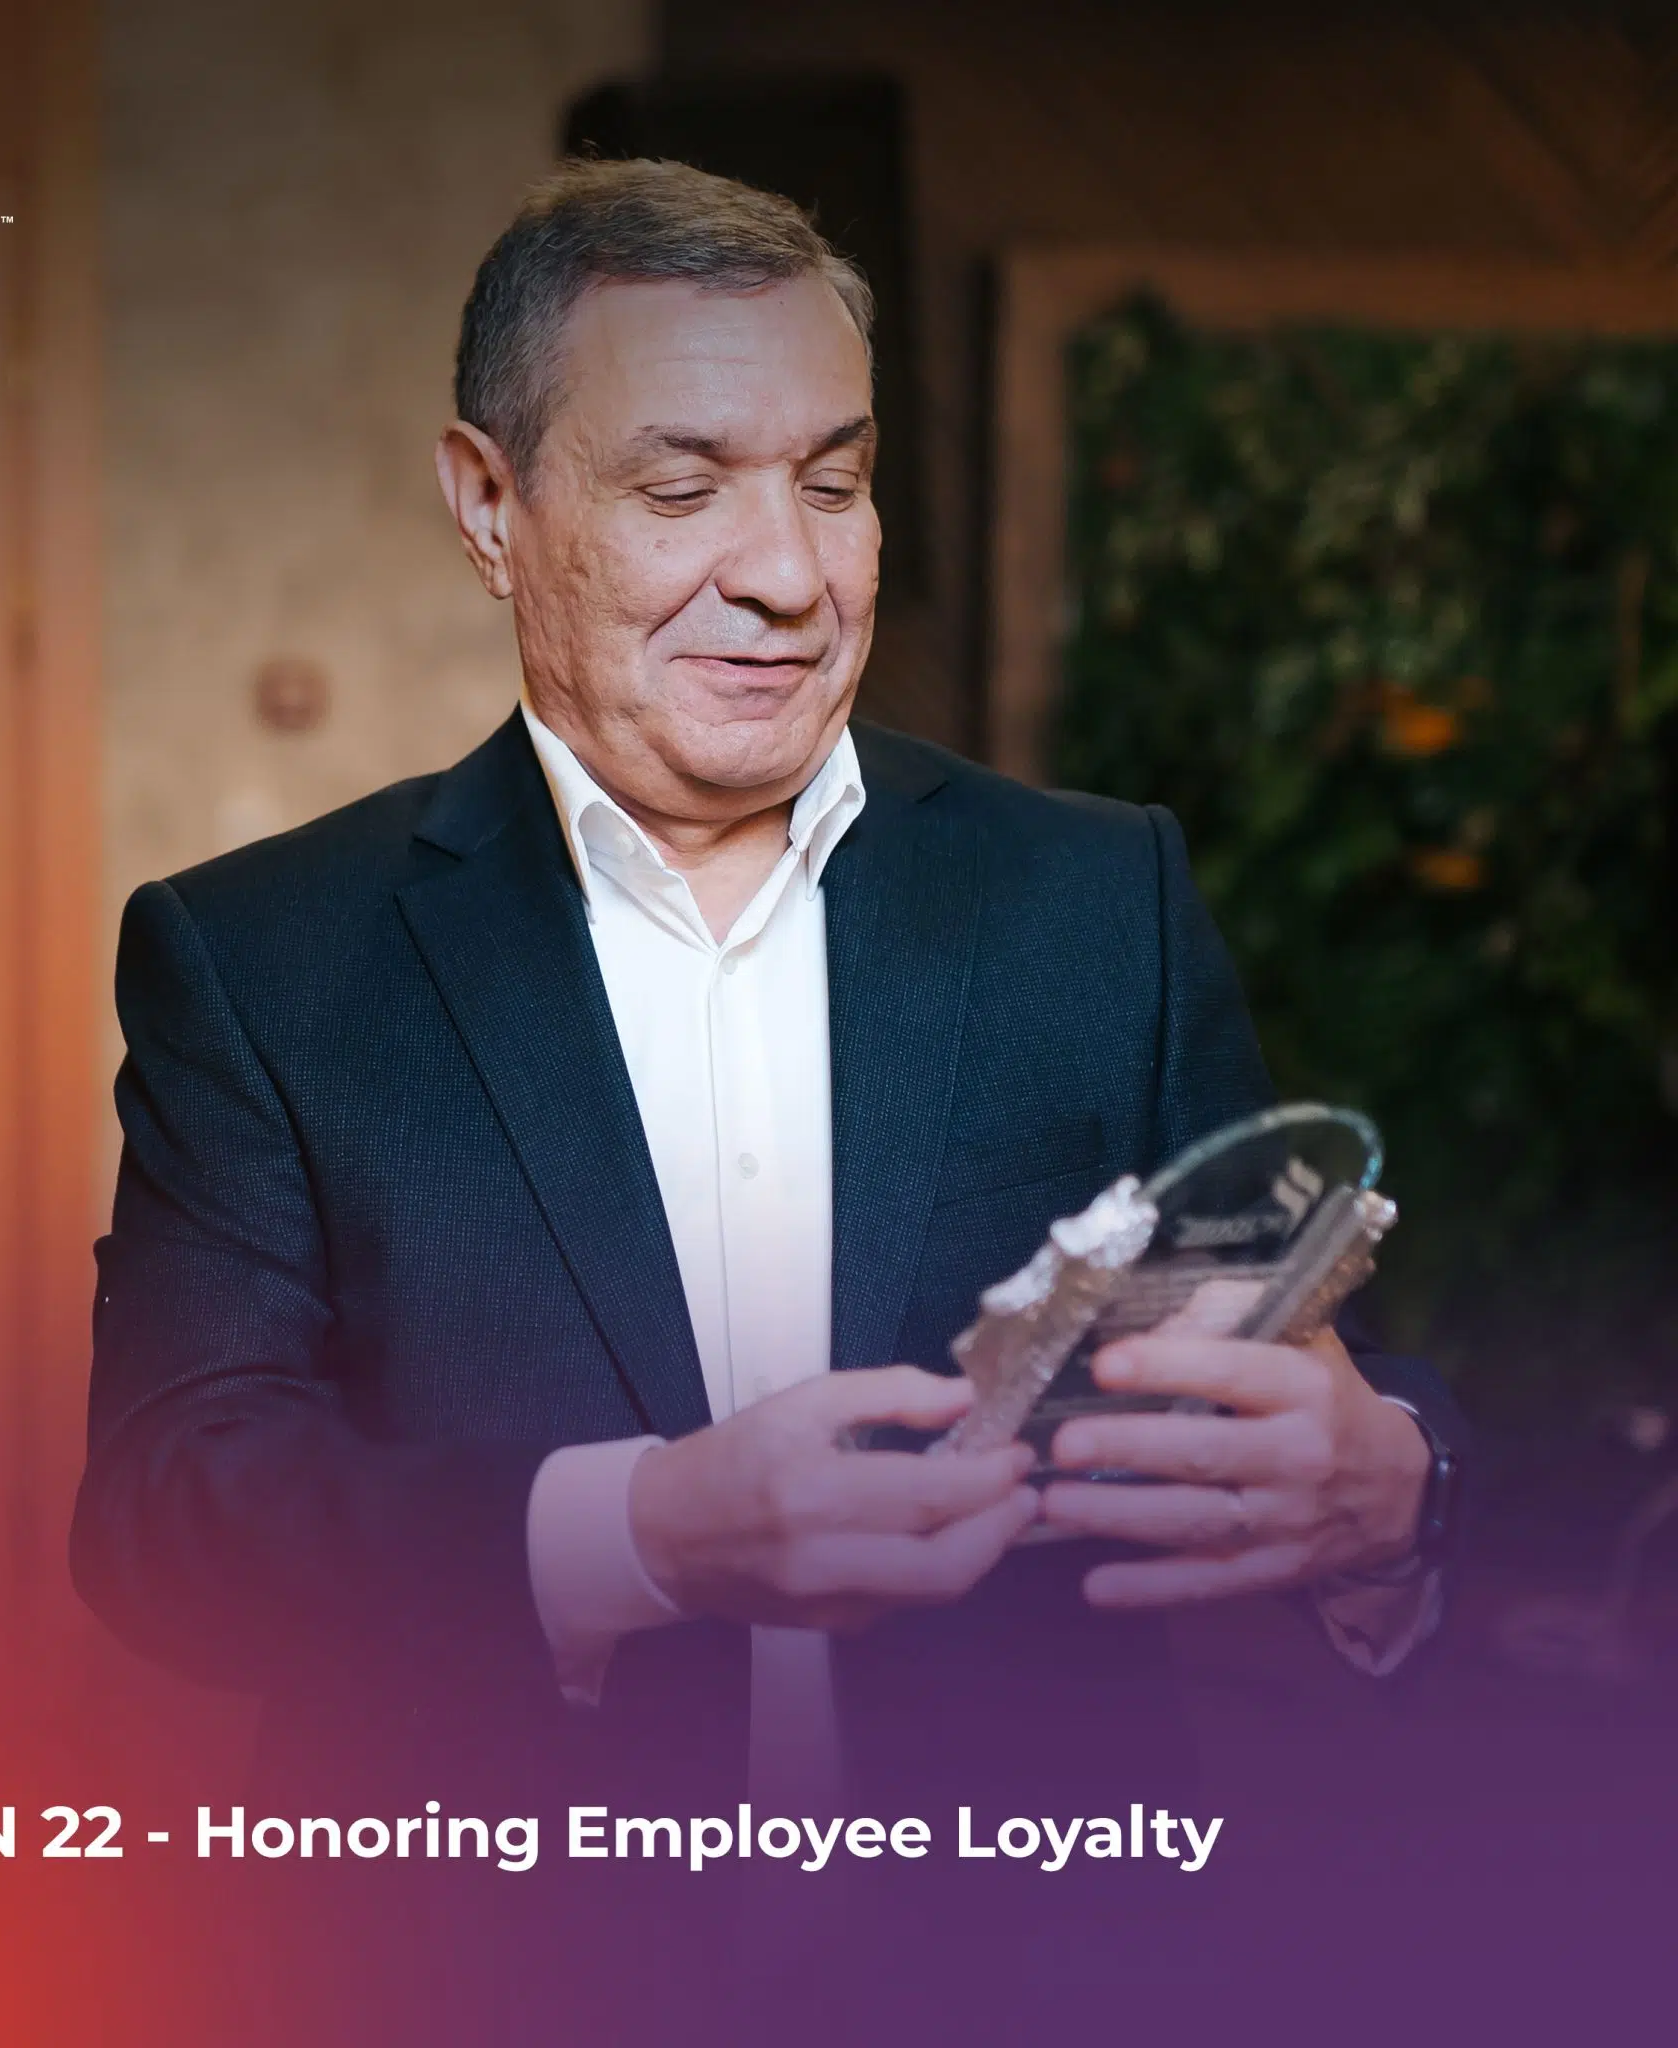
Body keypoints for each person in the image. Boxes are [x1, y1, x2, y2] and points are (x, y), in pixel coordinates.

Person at [71, 159, 1461, 1828]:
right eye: (683, 489)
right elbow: (166, 1515)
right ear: (490, 507)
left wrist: (1399, 1498)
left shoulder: (1100, 900)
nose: (791, 575)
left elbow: (1310, 1381)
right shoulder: (263, 959)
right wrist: (638, 1537)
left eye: (834, 481)